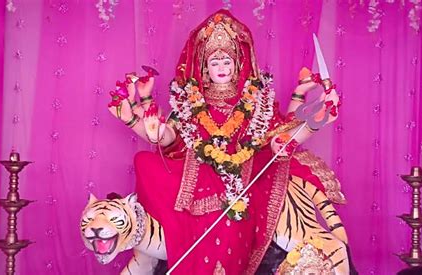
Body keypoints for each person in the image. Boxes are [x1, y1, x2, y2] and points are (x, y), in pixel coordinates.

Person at [108, 10, 340, 274]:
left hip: (240, 180)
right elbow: (172, 138)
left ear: (237, 65)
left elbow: (279, 135)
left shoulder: (255, 102)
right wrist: (148, 127)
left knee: (232, 222)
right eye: (215, 62)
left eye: (226, 62)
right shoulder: (189, 101)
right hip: (194, 177)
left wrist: (317, 120)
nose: (221, 68)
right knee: (144, 161)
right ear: (205, 68)